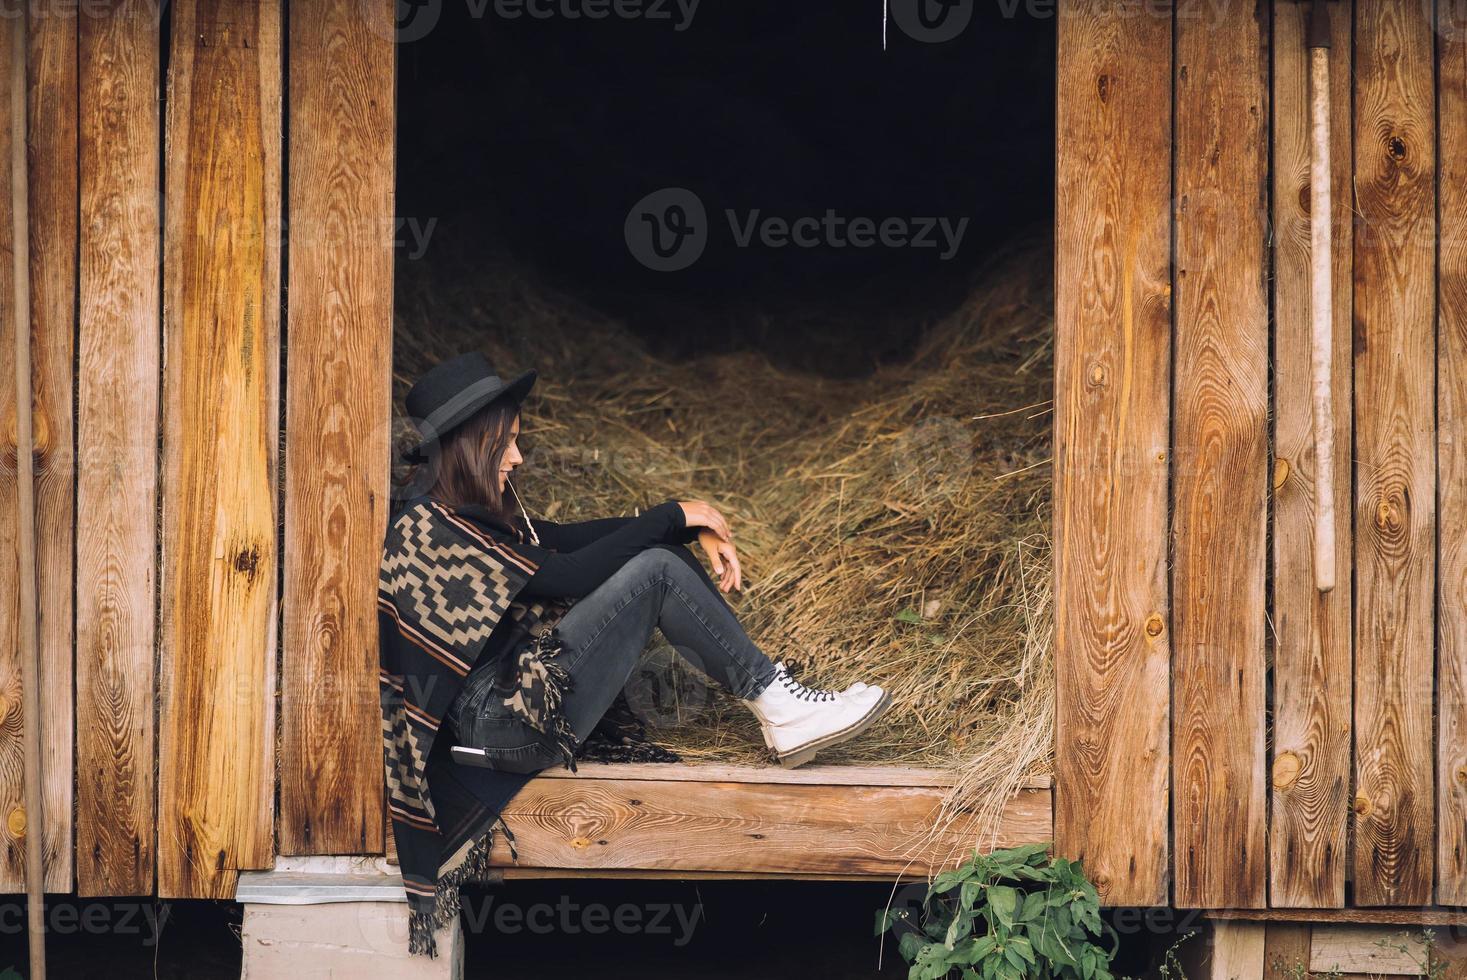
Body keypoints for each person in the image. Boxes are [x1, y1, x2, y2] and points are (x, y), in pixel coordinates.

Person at [396, 351, 891, 773]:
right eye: (506, 444)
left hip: (514, 711)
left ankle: (777, 702)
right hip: (500, 725)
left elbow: (569, 541)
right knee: (655, 568)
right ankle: (778, 706)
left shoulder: (465, 517)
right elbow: (569, 574)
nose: (518, 457)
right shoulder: (430, 530)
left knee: (662, 555)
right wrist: (671, 514)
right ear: (472, 450)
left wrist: (684, 526)